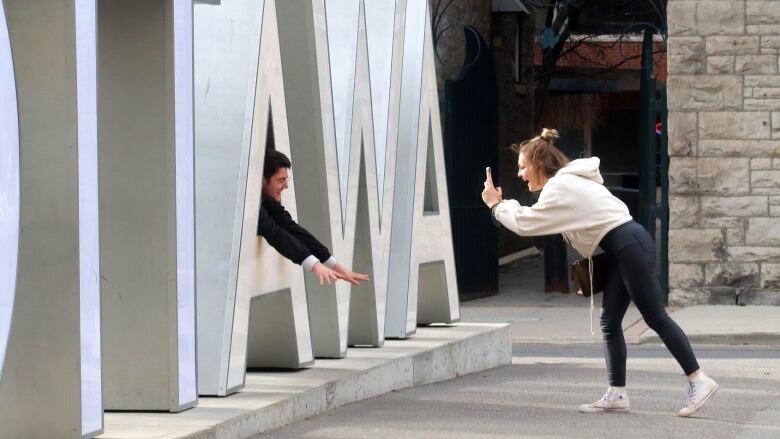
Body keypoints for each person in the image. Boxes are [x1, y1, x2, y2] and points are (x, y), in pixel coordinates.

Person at [481, 128, 718, 417]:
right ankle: (617, 393)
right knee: (609, 321)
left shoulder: (559, 187)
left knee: (655, 316)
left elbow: (526, 223)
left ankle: (699, 380)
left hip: (628, 245)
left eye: (522, 167)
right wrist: (503, 207)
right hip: (625, 246)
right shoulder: (566, 183)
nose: (520, 174)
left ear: (538, 164)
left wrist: (496, 205)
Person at [258, 149, 369, 287]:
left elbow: (291, 228)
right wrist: (315, 266)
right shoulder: (251, 205)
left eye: (286, 180)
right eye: (281, 180)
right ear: (262, 179)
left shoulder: (267, 201)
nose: (286, 186)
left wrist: (338, 268)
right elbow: (275, 234)